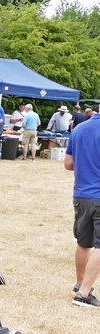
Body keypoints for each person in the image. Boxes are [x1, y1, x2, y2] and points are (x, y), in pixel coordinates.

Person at [65, 110, 100, 307]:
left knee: (83, 242)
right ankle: (84, 294)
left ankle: (80, 284)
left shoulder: (78, 129)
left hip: (81, 194)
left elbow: (68, 164)